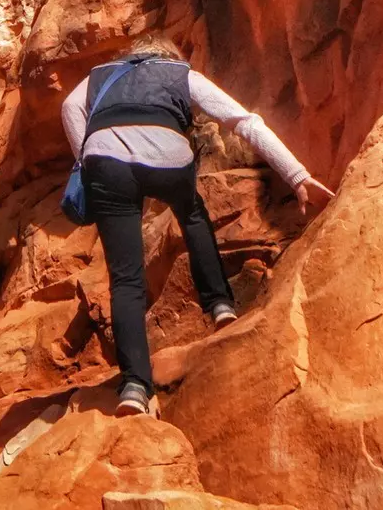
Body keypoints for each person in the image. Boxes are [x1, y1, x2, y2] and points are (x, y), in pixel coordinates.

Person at [57, 33, 334, 417]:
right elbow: (244, 122)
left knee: (126, 279)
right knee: (191, 213)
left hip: (107, 163)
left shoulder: (101, 75)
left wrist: (88, 158)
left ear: (130, 55)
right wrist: (297, 176)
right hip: (168, 159)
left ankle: (135, 387)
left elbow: (71, 108)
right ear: (167, 56)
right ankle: (220, 305)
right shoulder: (180, 72)